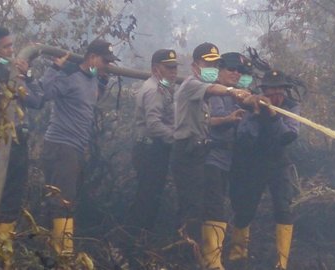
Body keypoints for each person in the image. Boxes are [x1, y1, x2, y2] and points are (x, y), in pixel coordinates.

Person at [170, 42, 251, 268]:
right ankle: (188, 259)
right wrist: (234, 91)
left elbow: (206, 121)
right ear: (196, 64)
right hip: (186, 151)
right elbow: (215, 89)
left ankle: (202, 260)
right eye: (208, 63)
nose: (212, 67)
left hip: (198, 151)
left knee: (201, 208)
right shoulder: (192, 84)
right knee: (191, 209)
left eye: (215, 64)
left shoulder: (204, 90)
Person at [39, 39, 119, 256]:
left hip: (75, 148)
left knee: (66, 198)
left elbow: (90, 100)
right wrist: (54, 68)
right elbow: (43, 94)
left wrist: (102, 82)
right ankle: (62, 254)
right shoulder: (70, 77)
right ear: (92, 57)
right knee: (62, 200)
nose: (107, 65)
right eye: (105, 61)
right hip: (61, 145)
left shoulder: (92, 79)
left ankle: (48, 251)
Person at [229, 70, 300, 270]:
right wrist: (257, 114)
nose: (275, 96)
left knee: (284, 209)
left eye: (279, 91)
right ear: (264, 91)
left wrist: (273, 117)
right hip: (253, 164)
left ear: (285, 91)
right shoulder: (251, 107)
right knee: (245, 210)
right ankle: (237, 257)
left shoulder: (291, 107)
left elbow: (289, 135)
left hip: (279, 163)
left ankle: (281, 263)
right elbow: (244, 137)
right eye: (271, 91)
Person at [0, 24, 43, 268]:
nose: (12, 51)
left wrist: (28, 75)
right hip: (0, 144)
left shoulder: (15, 72)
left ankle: (3, 256)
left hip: (17, 144)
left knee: (11, 201)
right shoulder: (1, 72)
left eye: (12, 46)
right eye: (6, 47)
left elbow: (36, 101)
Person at [201, 52, 251, 269]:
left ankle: (238, 254)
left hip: (234, 159)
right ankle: (211, 261)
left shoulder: (242, 95)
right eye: (231, 69)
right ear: (220, 70)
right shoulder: (211, 92)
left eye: (239, 71)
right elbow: (205, 122)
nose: (235, 73)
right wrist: (229, 119)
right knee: (215, 207)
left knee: (240, 203)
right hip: (213, 156)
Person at [126, 49, 179, 233]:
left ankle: (141, 239)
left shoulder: (163, 88)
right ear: (156, 68)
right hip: (150, 149)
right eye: (169, 67)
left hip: (154, 149)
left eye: (175, 67)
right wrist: (176, 138)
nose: (173, 71)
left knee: (150, 197)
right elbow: (154, 124)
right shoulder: (154, 90)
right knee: (147, 198)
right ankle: (133, 240)